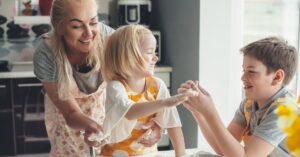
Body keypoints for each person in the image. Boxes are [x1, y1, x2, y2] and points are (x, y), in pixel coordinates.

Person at [33, 0, 162, 156]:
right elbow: (71, 114)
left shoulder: (110, 39)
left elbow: (140, 83)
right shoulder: (47, 54)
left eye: (93, 22)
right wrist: (91, 125)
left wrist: (158, 120)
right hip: (67, 127)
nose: (89, 33)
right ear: (58, 26)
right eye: (77, 26)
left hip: (109, 119)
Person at [178, 37, 298, 157]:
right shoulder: (249, 104)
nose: (242, 77)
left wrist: (210, 112)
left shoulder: (285, 110)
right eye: (243, 70)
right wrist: (198, 112)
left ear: (277, 77)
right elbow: (222, 148)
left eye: (251, 72)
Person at [95, 24, 192, 157]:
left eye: (155, 52)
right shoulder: (116, 87)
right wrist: (165, 102)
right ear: (128, 56)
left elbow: (172, 123)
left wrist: (181, 155)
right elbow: (129, 111)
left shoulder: (157, 85)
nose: (155, 58)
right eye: (149, 52)